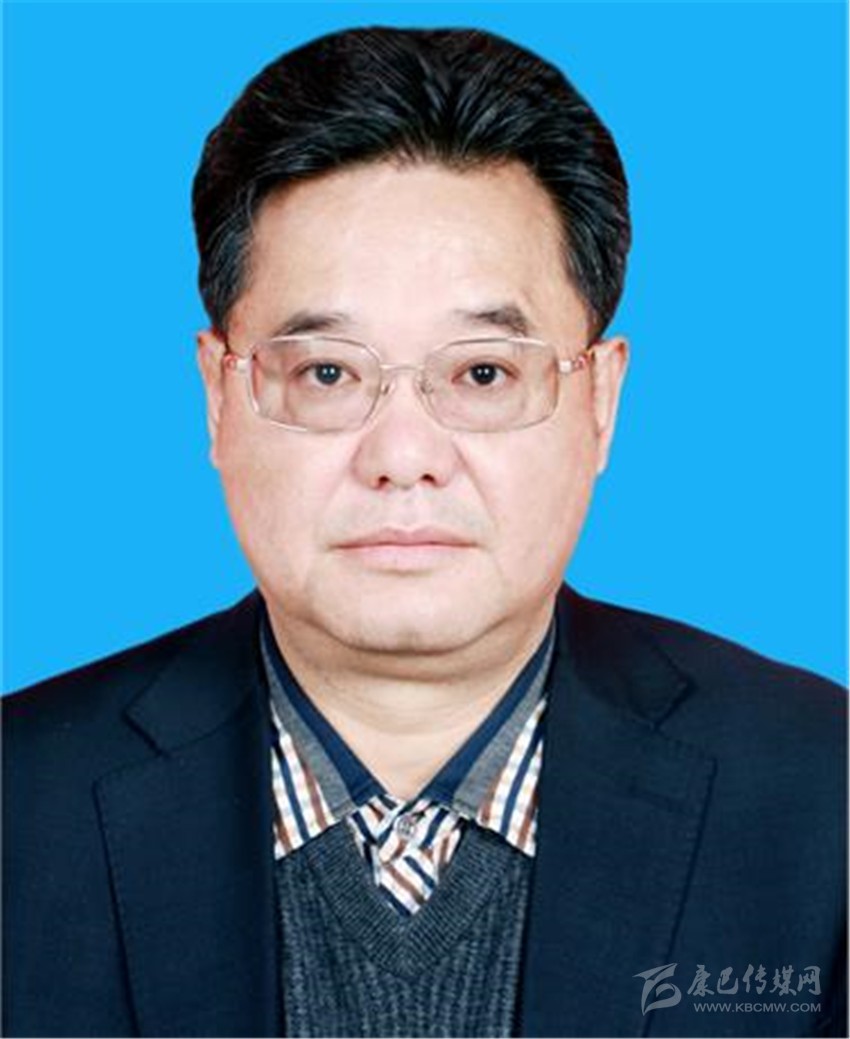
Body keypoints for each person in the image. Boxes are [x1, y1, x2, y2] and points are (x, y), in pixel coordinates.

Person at [3, 25, 845, 1039]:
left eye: (482, 373)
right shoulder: (21, 806)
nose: (403, 455)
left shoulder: (821, 799)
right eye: (327, 373)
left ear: (601, 402)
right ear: (219, 398)